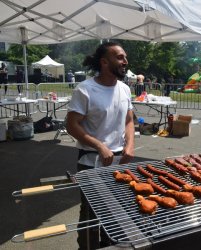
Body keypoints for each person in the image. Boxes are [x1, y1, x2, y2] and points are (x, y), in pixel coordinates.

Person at [66, 42, 135, 249]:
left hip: (118, 162)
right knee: (90, 215)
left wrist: (130, 145)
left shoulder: (124, 89)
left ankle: (109, 246)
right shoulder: (86, 89)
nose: (125, 61)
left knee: (114, 212)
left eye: (125, 57)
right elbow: (71, 124)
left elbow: (129, 120)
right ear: (104, 62)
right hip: (91, 161)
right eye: (120, 57)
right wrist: (99, 145)